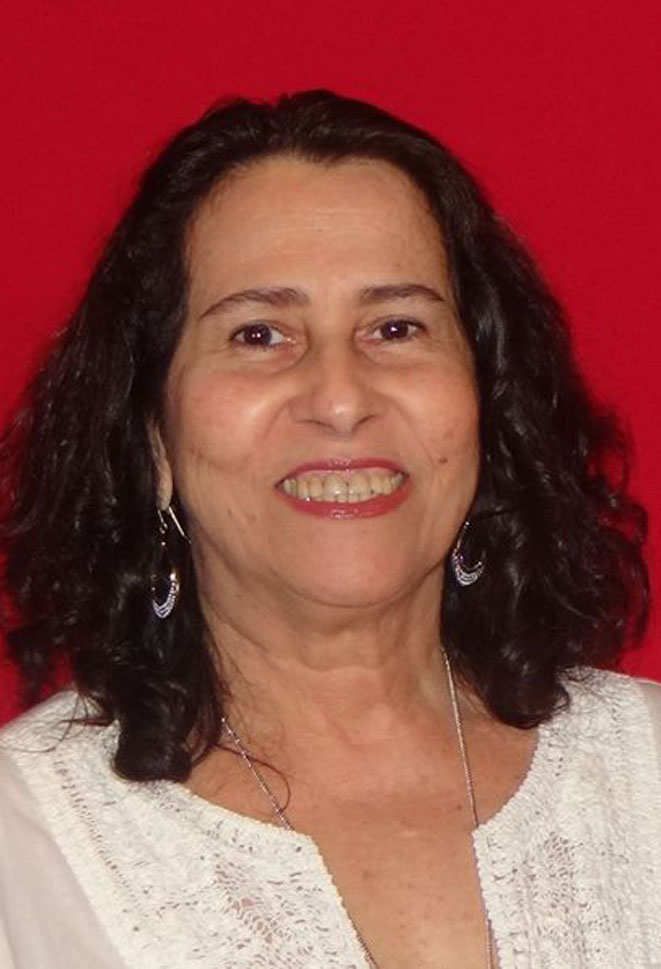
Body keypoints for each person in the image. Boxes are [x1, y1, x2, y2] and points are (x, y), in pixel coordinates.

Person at [0, 90, 659, 969]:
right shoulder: (21, 844)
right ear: (152, 431)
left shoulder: (648, 769)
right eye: (259, 334)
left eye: (396, 326)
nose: (341, 397)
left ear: (484, 403)